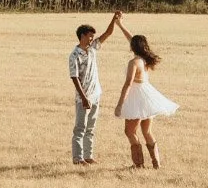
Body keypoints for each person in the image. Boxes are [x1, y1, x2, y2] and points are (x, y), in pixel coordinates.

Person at [112, 21, 179, 169]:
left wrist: (120, 105)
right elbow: (132, 39)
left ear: (132, 47)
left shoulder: (134, 62)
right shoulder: (144, 59)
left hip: (136, 98)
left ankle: (138, 164)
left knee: (129, 131)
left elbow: (128, 84)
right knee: (147, 131)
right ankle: (156, 163)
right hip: (147, 98)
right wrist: (120, 25)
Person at [68, 12, 121, 165]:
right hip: (83, 97)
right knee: (80, 128)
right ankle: (78, 158)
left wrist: (114, 19)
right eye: (90, 36)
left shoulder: (92, 49)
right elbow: (74, 77)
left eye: (92, 36)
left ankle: (88, 156)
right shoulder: (74, 55)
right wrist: (84, 98)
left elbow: (108, 33)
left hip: (96, 94)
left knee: (90, 128)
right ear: (82, 36)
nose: (92, 39)